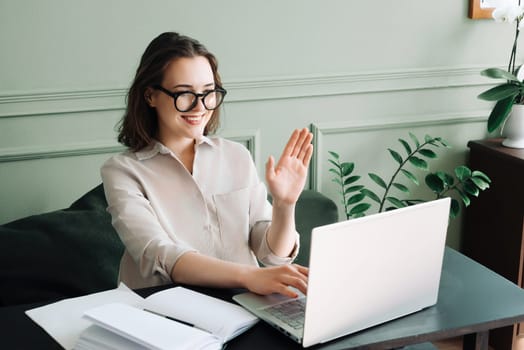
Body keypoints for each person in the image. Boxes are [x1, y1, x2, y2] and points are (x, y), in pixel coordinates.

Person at [101, 32, 313, 298]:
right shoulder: (122, 171)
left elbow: (273, 256)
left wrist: (285, 205)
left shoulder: (236, 155)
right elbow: (160, 255)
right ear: (150, 96)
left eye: (208, 93)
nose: (200, 106)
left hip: (243, 307)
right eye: (184, 94)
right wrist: (250, 276)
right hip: (162, 314)